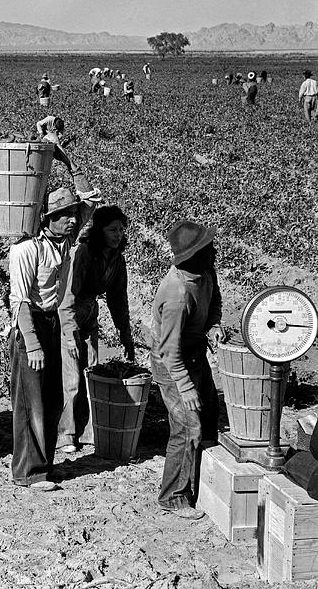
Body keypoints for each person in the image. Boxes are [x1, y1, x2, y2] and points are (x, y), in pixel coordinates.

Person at [8, 155, 101, 491]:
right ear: (48, 219)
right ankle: (28, 472)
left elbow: (92, 202)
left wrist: (62, 154)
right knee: (30, 400)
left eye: (73, 214)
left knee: (50, 396)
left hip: (51, 323)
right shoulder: (25, 250)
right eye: (64, 215)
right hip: (29, 326)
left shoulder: (65, 242)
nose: (73, 220)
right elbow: (19, 301)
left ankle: (44, 465)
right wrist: (31, 343)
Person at [150, 221, 225, 519]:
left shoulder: (206, 272)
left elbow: (215, 298)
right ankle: (172, 496)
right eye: (209, 248)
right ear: (193, 255)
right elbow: (169, 351)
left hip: (193, 354)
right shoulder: (177, 293)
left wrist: (214, 324)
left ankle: (204, 485)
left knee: (208, 417)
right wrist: (185, 387)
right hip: (172, 364)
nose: (214, 252)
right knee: (186, 426)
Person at [57, 206, 135, 453]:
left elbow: (118, 299)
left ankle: (88, 431)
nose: (118, 235)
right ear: (99, 230)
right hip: (69, 314)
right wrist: (69, 332)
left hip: (89, 315)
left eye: (121, 230)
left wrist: (125, 333)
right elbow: (68, 295)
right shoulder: (83, 253)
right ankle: (65, 434)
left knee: (90, 372)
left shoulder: (116, 259)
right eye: (112, 229)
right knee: (70, 378)